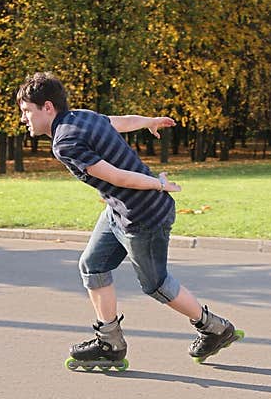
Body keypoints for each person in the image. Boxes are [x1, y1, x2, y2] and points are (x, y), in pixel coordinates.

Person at [16, 71, 242, 367]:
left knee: (156, 284)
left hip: (144, 215)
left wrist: (158, 185)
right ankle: (109, 342)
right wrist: (148, 122)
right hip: (119, 210)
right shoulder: (80, 117)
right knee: (92, 264)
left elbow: (116, 176)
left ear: (47, 107)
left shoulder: (64, 141)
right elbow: (118, 122)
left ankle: (214, 328)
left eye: (26, 111)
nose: (23, 119)